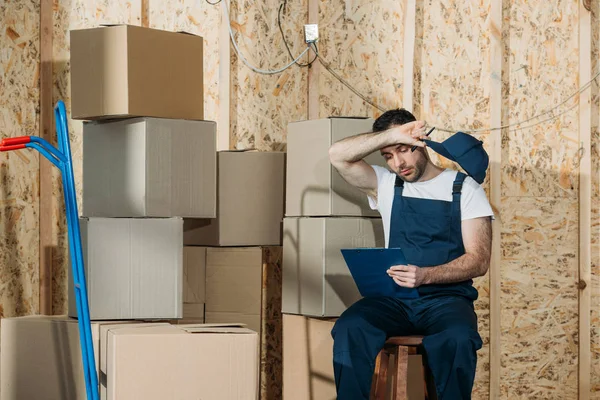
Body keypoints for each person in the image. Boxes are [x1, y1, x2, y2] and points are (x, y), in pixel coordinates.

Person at [328, 108, 494, 400]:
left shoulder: (464, 188)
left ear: (422, 143)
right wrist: (392, 136)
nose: (398, 163)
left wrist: (426, 275)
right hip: (394, 300)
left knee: (457, 339)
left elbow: (478, 260)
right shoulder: (386, 184)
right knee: (351, 327)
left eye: (403, 150)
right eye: (388, 155)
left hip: (446, 300)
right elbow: (337, 155)